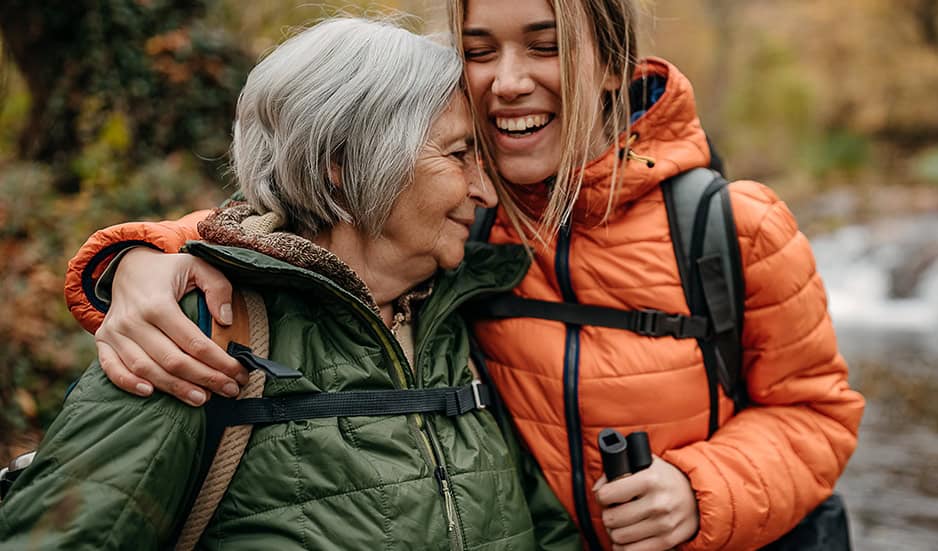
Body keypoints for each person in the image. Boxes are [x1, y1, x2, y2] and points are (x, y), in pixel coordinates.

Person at [59, 1, 866, 549]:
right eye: (479, 51)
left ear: (615, 63)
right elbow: (294, 215)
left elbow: (818, 415)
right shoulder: (457, 214)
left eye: (544, 44)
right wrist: (138, 258)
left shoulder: (731, 224)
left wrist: (703, 490)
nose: (506, 79)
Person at [1, 17, 578, 550]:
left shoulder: (462, 329)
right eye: (458, 156)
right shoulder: (197, 335)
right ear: (345, 163)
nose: (485, 190)